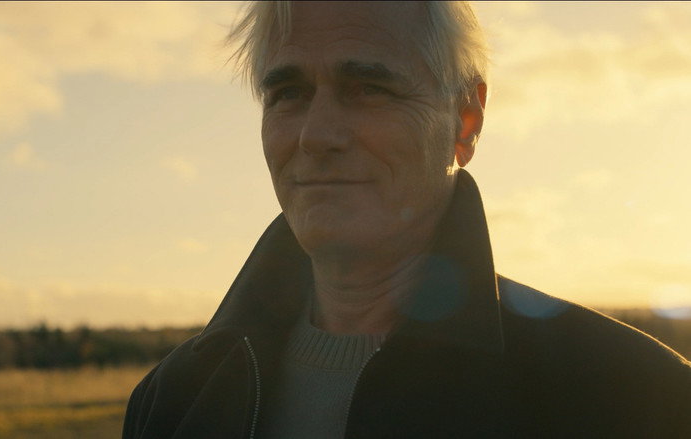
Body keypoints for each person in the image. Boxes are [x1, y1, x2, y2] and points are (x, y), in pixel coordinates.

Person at [122, 2, 690, 437]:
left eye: (369, 88)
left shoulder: (635, 398)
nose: (316, 135)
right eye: (289, 93)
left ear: (465, 120)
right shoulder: (172, 401)